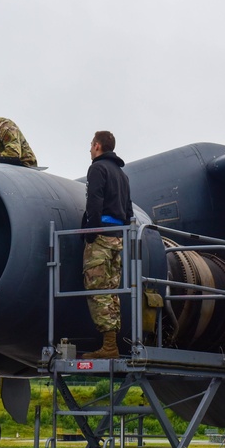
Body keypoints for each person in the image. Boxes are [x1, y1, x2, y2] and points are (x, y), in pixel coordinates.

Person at [81, 131, 132, 359]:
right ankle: (111, 343)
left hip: (101, 237)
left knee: (97, 288)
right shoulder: (122, 175)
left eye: (91, 145)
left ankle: (109, 347)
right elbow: (128, 210)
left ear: (98, 146)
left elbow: (94, 202)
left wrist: (91, 233)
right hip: (117, 237)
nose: (90, 149)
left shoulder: (97, 169)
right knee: (111, 290)